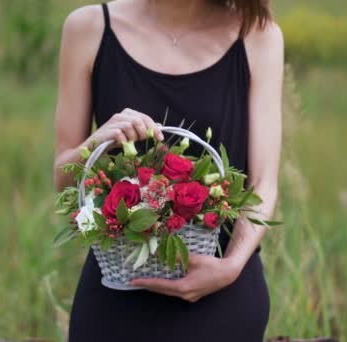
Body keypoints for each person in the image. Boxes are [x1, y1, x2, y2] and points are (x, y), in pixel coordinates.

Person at [53, 0, 283, 340]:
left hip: (220, 295)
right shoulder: (89, 28)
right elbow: (62, 178)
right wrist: (95, 142)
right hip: (118, 293)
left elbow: (264, 182)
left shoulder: (257, 36)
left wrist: (229, 267)